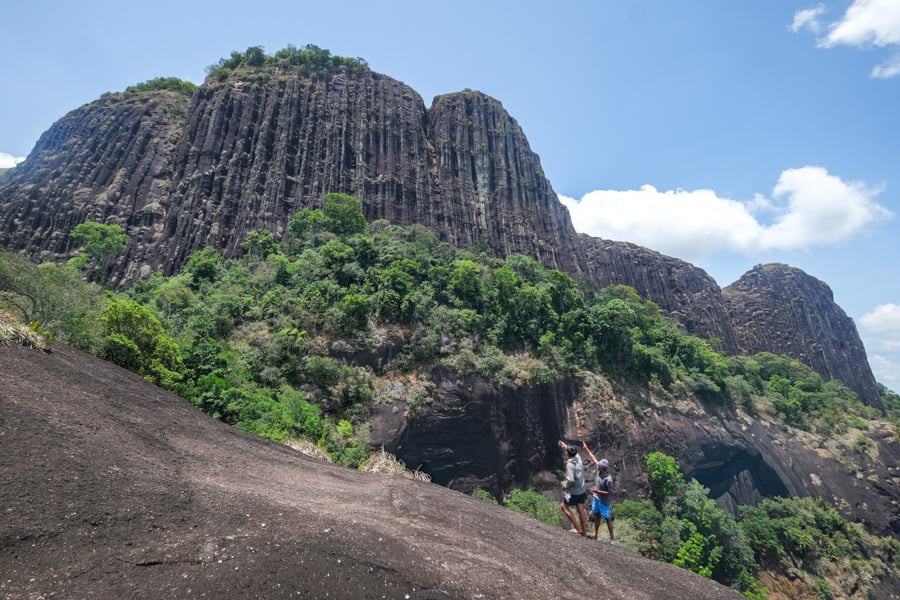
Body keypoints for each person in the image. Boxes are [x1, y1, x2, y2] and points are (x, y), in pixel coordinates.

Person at [583, 441, 615, 543]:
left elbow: (610, 493)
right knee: (597, 515)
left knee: (607, 519)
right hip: (597, 498)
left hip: (604, 502)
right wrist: (586, 448)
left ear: (603, 468)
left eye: (599, 466)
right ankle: (595, 534)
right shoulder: (599, 469)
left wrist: (598, 491)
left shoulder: (608, 480)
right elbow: (593, 458)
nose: (598, 466)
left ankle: (612, 538)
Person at [557, 440, 588, 536]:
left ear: (568, 454)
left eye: (566, 451)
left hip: (574, 491)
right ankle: (585, 532)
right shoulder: (578, 458)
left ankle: (577, 528)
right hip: (582, 489)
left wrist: (563, 484)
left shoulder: (570, 464)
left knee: (564, 507)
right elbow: (573, 451)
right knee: (581, 509)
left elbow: (570, 480)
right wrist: (565, 446)